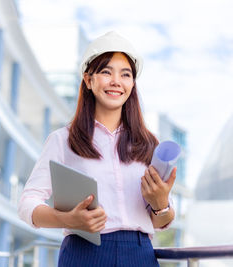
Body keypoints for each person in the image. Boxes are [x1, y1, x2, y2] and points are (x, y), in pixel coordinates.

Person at [18, 31, 177, 267]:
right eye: (106, 72)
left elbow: (161, 220)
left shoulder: (148, 144)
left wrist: (161, 203)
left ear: (132, 84)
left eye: (125, 74)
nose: (116, 81)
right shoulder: (63, 140)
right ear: (88, 80)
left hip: (140, 254)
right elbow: (27, 203)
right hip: (84, 253)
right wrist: (67, 219)